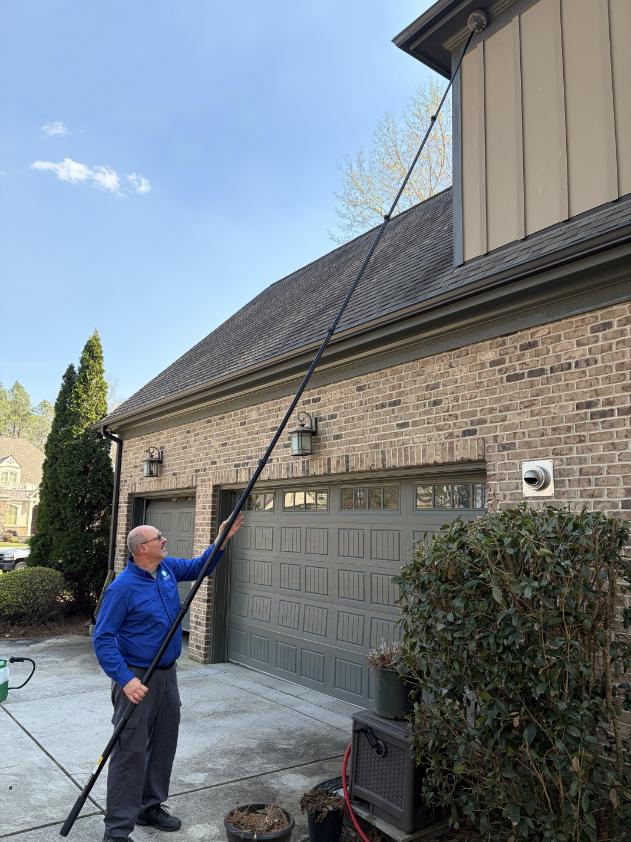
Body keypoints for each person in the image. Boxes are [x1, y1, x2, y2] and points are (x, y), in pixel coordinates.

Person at [92, 514, 244, 841]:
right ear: (142, 548)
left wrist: (221, 539)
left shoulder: (166, 569)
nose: (165, 539)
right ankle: (117, 831)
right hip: (136, 678)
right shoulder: (122, 588)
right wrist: (125, 678)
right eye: (159, 537)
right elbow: (102, 638)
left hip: (167, 676)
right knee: (129, 753)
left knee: (163, 744)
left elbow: (200, 567)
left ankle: (150, 806)